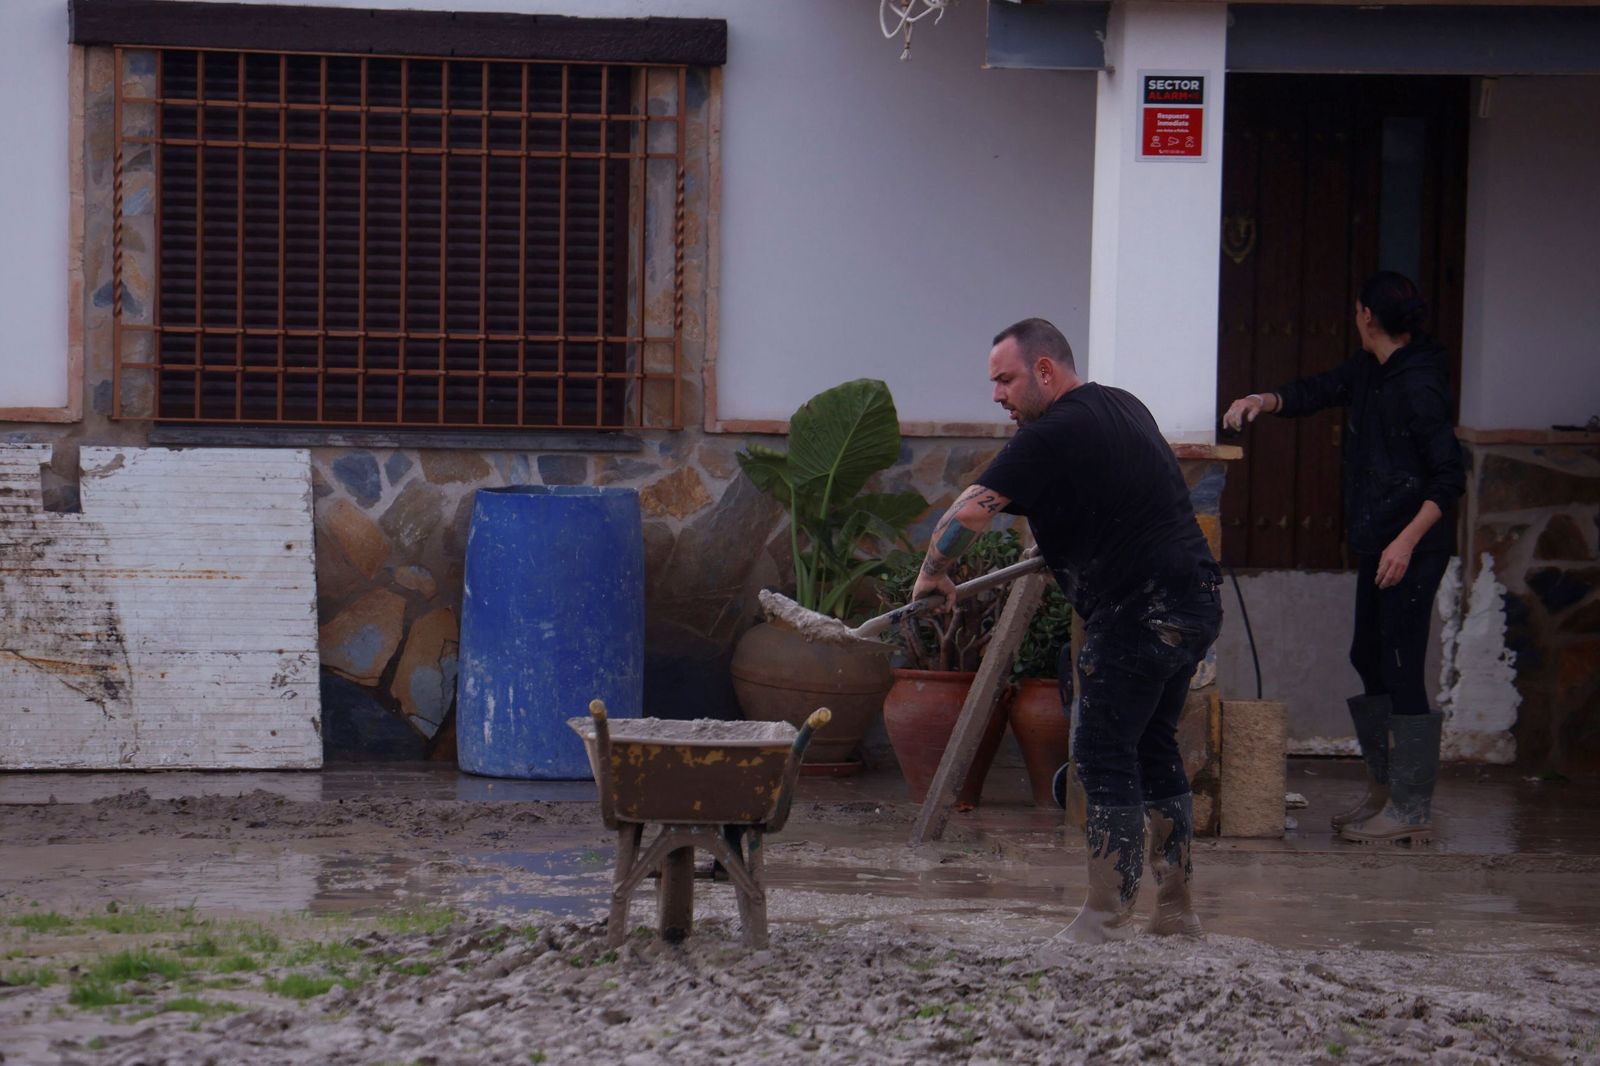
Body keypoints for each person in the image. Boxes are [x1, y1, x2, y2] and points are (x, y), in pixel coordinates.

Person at [913, 318, 1222, 943]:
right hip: (1193, 603)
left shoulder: (1052, 432)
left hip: (1139, 611)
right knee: (1152, 746)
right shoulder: (1122, 406)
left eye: (1005, 379)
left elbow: (970, 510)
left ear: (1045, 371)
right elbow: (1112, 493)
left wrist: (931, 576)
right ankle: (1177, 911)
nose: (997, 395)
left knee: (1101, 751)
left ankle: (1105, 919)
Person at [1222, 271, 1465, 845]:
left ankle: (1411, 809)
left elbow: (1449, 478)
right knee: (1367, 654)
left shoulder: (1420, 384)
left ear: (1365, 315)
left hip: (1414, 545)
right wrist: (1263, 400)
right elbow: (1318, 389)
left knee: (1402, 667)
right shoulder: (1372, 369)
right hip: (1380, 543)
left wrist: (1406, 542)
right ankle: (1385, 791)